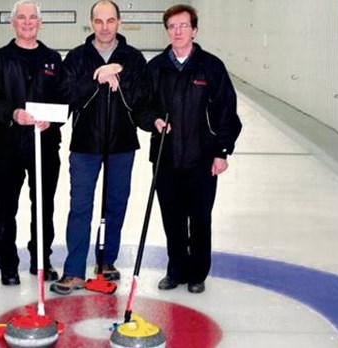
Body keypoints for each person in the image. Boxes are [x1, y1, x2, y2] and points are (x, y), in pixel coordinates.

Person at [138, 4, 242, 294]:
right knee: (172, 217)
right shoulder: (156, 68)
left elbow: (227, 112)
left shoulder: (211, 67)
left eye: (183, 26)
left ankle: (197, 273)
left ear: (194, 30)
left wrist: (221, 152)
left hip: (201, 158)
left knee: (199, 217)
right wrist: (153, 120)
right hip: (165, 157)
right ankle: (176, 269)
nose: (178, 31)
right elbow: (142, 108)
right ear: (167, 31)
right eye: (172, 26)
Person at [50, 0, 147, 295]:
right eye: (99, 21)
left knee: (115, 205)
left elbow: (142, 97)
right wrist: (98, 78)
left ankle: (106, 261)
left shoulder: (133, 58)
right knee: (80, 207)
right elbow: (65, 95)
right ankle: (74, 270)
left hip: (122, 143)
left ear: (119, 22)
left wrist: (119, 75)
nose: (104, 27)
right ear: (91, 23)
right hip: (85, 144)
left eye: (110, 20)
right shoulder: (77, 58)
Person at [0, 0, 63, 285]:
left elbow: (64, 98)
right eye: (21, 18)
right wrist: (12, 114)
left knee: (44, 205)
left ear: (39, 23)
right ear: (12, 22)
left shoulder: (52, 59)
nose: (27, 22)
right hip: (9, 145)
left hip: (45, 144)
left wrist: (53, 119)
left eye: (33, 18)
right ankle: (8, 266)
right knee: (5, 206)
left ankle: (41, 259)